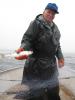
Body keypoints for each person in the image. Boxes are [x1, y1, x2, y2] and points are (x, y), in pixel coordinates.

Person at [16, 3, 64, 100]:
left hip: (51, 67)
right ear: (44, 11)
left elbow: (57, 45)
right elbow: (27, 40)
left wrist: (60, 57)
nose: (51, 15)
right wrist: (23, 50)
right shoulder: (36, 23)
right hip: (35, 67)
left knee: (54, 93)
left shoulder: (56, 29)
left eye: (53, 14)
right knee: (35, 95)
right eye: (49, 12)